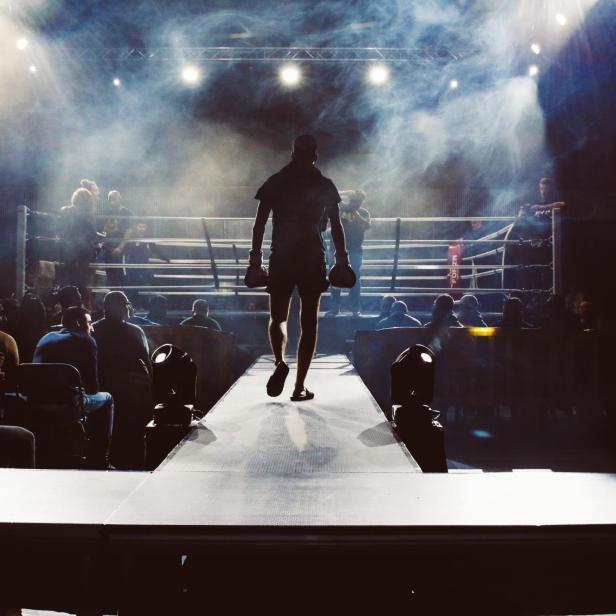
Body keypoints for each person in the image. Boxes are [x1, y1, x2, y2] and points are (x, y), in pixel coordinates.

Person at [248, 134, 350, 401]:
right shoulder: (324, 185)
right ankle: (299, 386)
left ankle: (280, 362)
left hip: (281, 256)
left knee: (278, 318)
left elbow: (259, 225)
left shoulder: (276, 182)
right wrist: (342, 259)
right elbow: (336, 226)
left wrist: (254, 261)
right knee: (309, 323)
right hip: (311, 256)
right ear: (315, 155)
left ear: (292, 153)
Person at [33, 306, 114, 469]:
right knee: (107, 398)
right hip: (69, 404)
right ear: (78, 323)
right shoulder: (86, 340)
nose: (92, 328)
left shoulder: (45, 337)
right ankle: (101, 458)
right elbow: (92, 388)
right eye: (89, 323)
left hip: (36, 403)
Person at [92, 291, 152, 469]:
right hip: (129, 394)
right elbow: (146, 364)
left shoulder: (93, 329)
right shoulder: (134, 332)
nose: (128, 307)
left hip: (99, 389)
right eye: (125, 304)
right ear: (115, 306)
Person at [504, 177, 565, 291]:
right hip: (534, 243)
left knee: (548, 271)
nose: (543, 191)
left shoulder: (552, 200)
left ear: (550, 189)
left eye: (545, 189)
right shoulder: (534, 202)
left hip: (550, 243)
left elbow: (562, 204)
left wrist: (542, 207)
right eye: (541, 189)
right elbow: (522, 214)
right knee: (532, 270)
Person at [325, 189, 370, 316]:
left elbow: (366, 225)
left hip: (355, 249)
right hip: (337, 250)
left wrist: (354, 210)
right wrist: (346, 193)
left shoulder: (363, 212)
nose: (356, 203)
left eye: (359, 201)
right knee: (335, 277)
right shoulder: (341, 210)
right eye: (355, 200)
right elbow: (331, 195)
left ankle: (355, 308)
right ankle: (335, 308)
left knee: (355, 279)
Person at [58, 187, 101, 296]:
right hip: (84, 250)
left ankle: (67, 302)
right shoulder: (88, 215)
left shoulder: (66, 210)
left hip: (69, 249)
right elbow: (92, 233)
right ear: (88, 201)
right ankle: (84, 303)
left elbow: (61, 229)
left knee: (68, 278)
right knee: (84, 281)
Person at [101, 190, 134, 287]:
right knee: (110, 275)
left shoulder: (127, 213)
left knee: (122, 275)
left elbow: (129, 231)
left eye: (114, 199)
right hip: (108, 248)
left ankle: (122, 299)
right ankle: (112, 299)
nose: (111, 202)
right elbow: (104, 230)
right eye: (110, 199)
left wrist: (120, 247)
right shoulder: (107, 213)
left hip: (122, 250)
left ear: (120, 199)